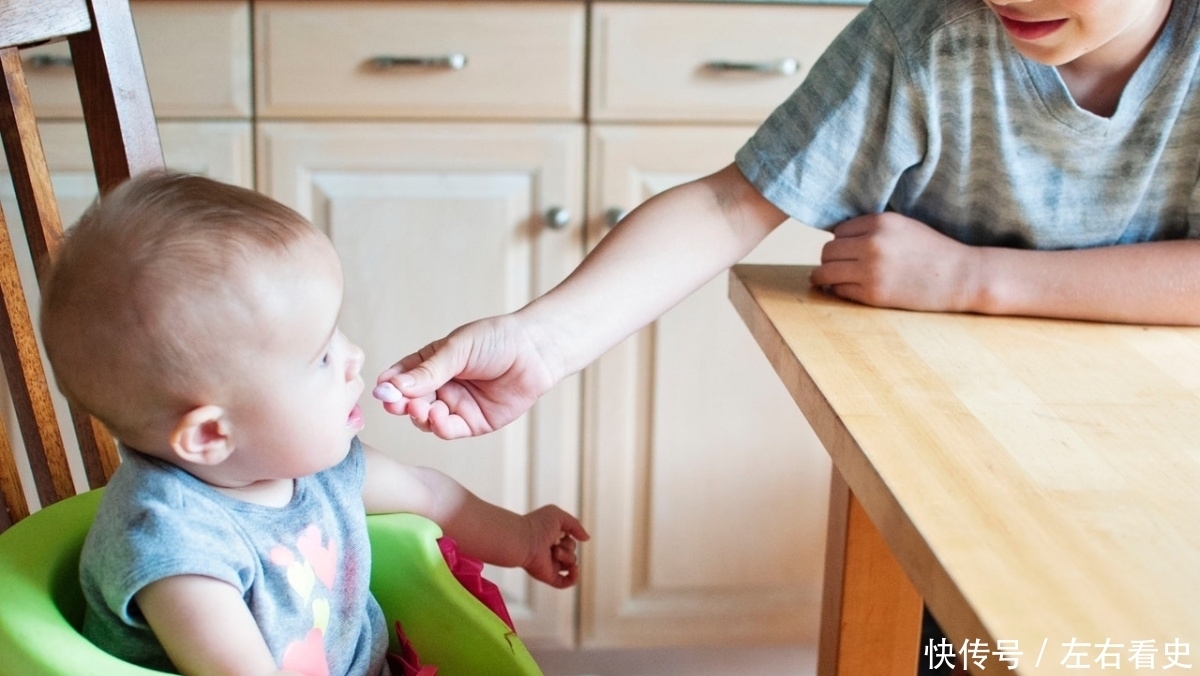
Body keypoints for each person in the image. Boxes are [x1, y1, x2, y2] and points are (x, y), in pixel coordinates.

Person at [373, 0, 1199, 441]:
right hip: (954, 433)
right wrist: (545, 341)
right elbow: (733, 202)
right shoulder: (921, 35)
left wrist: (969, 277)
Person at [39, 171, 589, 676]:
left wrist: (524, 537)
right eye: (320, 357)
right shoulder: (178, 548)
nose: (355, 356)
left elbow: (429, 492)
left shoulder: (311, 464)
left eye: (336, 334)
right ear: (211, 434)